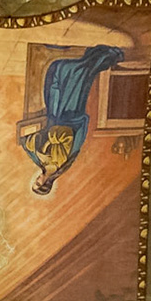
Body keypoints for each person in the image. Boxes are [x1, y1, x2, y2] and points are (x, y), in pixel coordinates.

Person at [22, 45, 125, 195]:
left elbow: (32, 143)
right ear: (45, 184)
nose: (37, 179)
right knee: (75, 77)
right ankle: (103, 56)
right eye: (38, 183)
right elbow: (67, 135)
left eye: (35, 182)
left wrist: (37, 141)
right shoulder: (58, 163)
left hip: (57, 115)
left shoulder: (43, 164)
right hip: (69, 114)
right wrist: (48, 137)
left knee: (53, 83)